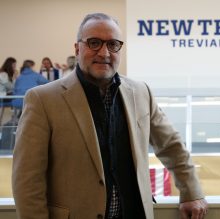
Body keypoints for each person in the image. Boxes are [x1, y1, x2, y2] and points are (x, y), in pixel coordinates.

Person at [12, 13, 208, 219]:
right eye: (94, 43)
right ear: (77, 49)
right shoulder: (43, 99)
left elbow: (171, 145)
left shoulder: (141, 92)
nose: (104, 52)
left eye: (113, 44)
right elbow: (27, 179)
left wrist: (191, 191)